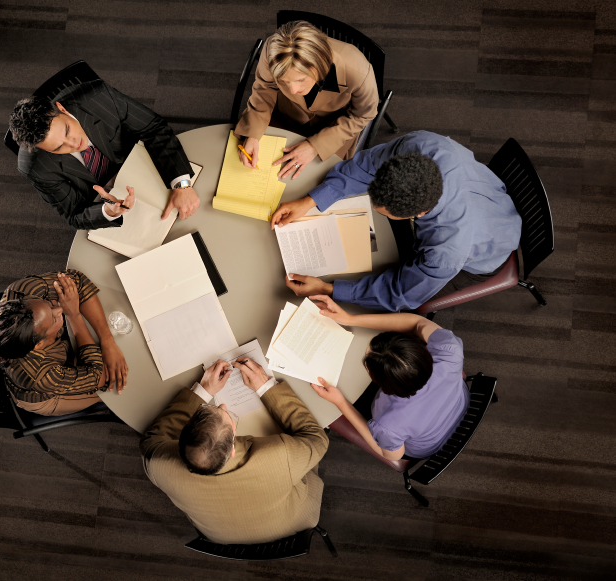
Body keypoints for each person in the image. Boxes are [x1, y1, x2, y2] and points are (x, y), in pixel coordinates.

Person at [274, 131, 522, 312]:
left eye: (384, 213)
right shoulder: (423, 146)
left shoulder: (446, 253)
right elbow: (365, 167)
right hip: (487, 199)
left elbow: (400, 292)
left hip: (485, 253)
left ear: (419, 215)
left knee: (410, 308)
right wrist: (310, 201)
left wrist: (329, 289)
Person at [140, 358, 328, 544]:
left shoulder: (159, 467)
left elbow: (152, 440)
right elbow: (316, 438)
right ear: (232, 450)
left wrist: (202, 391)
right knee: (307, 458)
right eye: (228, 416)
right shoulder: (280, 456)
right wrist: (265, 387)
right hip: (291, 522)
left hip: (220, 538)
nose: (223, 406)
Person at [9, 79, 200, 231]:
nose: (74, 144)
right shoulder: (34, 167)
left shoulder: (99, 97)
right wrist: (106, 211)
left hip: (145, 164)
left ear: (62, 108)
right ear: (44, 150)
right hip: (111, 201)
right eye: (59, 148)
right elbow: (73, 214)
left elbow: (154, 128)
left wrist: (182, 185)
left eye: (67, 130)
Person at [308, 294, 469, 460]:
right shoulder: (450, 350)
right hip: (458, 403)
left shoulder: (388, 425)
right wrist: (349, 319)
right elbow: (418, 323)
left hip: (427, 445)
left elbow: (391, 456)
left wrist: (340, 402)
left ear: (380, 384)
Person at [235, 20, 378, 179]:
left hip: (333, 128)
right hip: (285, 115)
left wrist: (316, 146)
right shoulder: (272, 51)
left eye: (301, 80)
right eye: (285, 81)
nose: (293, 90)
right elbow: (265, 88)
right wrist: (253, 134)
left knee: (318, 184)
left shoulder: (359, 70)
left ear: (319, 65)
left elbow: (363, 115)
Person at [0, 270, 127, 416]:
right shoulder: (42, 377)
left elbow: (78, 281)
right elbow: (99, 377)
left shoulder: (23, 290)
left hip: (57, 356)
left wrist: (107, 341)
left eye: (48, 303)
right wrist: (73, 315)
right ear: (38, 345)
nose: (60, 309)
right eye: (54, 318)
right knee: (119, 387)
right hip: (47, 394)